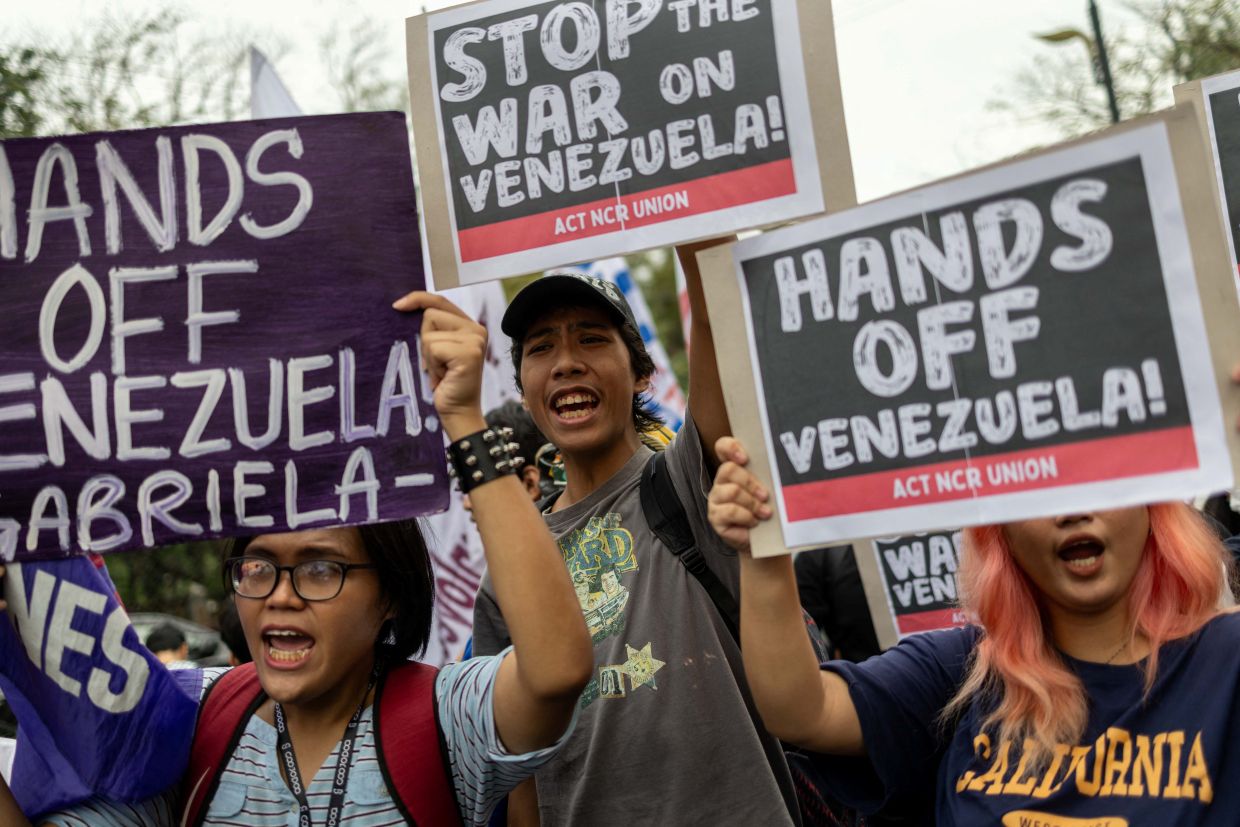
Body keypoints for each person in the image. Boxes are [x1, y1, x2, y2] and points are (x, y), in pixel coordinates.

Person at [5, 292, 593, 826]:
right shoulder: (186, 723)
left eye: (320, 569)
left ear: (390, 594)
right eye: (257, 567)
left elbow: (556, 671)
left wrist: (463, 417)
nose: (279, 595)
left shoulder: (444, 721)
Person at [707, 435, 1240, 825]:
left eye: (1098, 478)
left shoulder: (1226, 659)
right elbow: (801, 710)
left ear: (1152, 503)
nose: (1074, 512)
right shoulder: (960, 675)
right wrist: (761, 553)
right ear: (999, 531)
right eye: (1036, 490)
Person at [471, 244, 802, 826]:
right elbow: (517, 769)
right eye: (541, 348)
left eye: (592, 339)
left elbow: (717, 322)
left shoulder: (688, 483)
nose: (566, 362)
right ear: (522, 388)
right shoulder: (509, 573)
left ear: (642, 372)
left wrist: (697, 240)